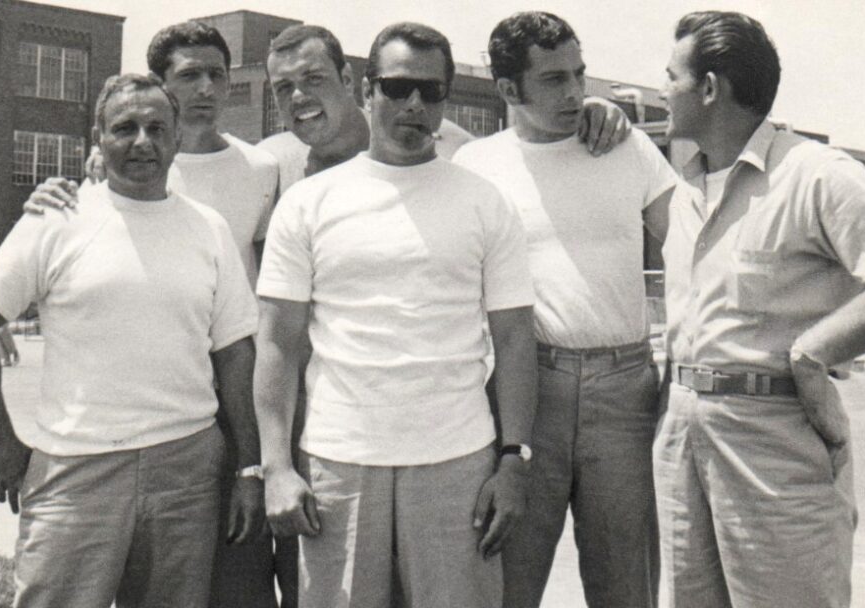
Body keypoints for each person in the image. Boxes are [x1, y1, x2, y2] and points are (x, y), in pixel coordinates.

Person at [654, 11, 865, 607]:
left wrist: (814, 354)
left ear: (710, 88)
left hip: (772, 436)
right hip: (682, 431)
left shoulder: (815, 174)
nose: (662, 90)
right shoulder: (685, 186)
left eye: (671, 77)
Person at [254, 22, 537, 608]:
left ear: (445, 99)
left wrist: (514, 459)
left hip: (458, 464)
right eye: (397, 87)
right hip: (339, 464)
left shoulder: (484, 202)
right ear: (367, 88)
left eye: (430, 92)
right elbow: (278, 342)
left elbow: (513, 341)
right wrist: (276, 466)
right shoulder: (308, 203)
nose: (414, 104)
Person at [0, 73, 263, 608]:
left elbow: (235, 353)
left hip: (185, 468)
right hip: (75, 470)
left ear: (176, 138)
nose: (142, 141)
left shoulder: (208, 227)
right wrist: (0, 443)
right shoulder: (58, 217)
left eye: (156, 128)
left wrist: (249, 467)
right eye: (125, 128)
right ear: (98, 138)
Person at [21, 21, 285, 608]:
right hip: (142, 414)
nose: (207, 89)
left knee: (232, 578)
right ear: (160, 85)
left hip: (228, 398)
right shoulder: (118, 163)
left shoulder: (261, 169)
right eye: (188, 76)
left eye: (218, 74)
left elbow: (267, 284)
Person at [452, 11, 678, 607]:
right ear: (507, 91)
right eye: (553, 80)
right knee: (507, 581)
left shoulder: (629, 151)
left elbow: (695, 255)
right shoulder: (474, 167)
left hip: (626, 389)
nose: (576, 92)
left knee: (626, 587)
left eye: (581, 74)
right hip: (528, 393)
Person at [258, 23, 632, 194]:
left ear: (349, 79)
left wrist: (589, 109)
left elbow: (523, 158)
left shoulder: (451, 147)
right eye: (283, 87)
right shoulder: (270, 166)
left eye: (314, 79)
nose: (298, 97)